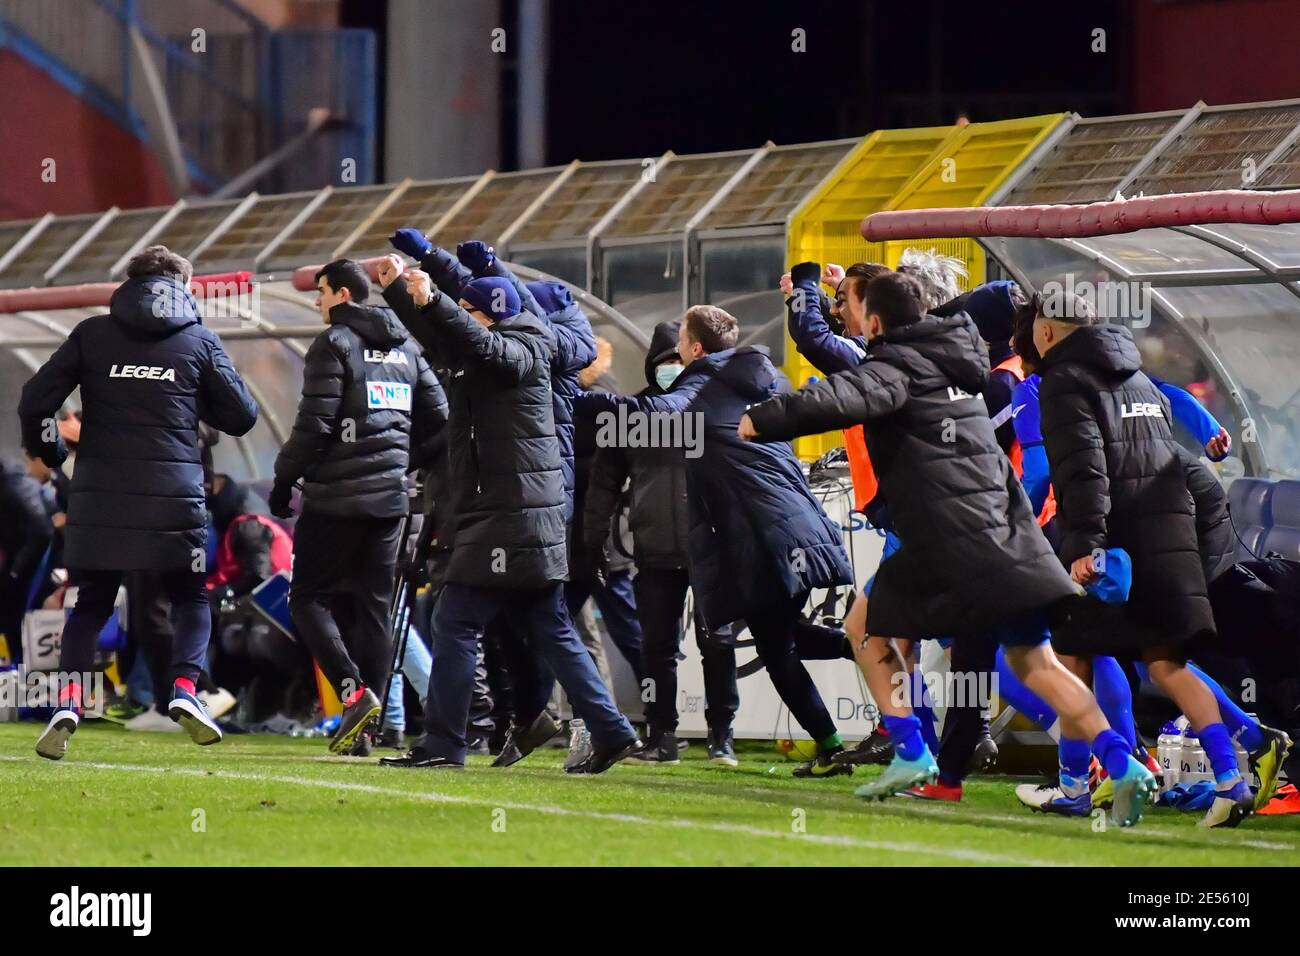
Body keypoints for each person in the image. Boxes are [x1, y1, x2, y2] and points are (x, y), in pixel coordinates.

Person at [739, 271, 1158, 825]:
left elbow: (844, 395)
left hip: (946, 539)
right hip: (1011, 535)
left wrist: (763, 418)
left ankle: (912, 751)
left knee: (864, 631)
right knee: (1037, 662)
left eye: (857, 310)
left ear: (876, 321)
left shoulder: (895, 364)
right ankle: (1122, 765)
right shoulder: (967, 367)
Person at [374, 256, 640, 773]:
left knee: (456, 620)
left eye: (468, 310)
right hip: (518, 517)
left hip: (508, 518)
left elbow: (475, 343)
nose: (462, 318)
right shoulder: (496, 347)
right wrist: (400, 295)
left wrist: (434, 299)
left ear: (488, 314)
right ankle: (610, 730)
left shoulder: (520, 346)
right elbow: (448, 342)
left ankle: (445, 745)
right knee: (551, 629)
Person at [576, 305, 856, 778]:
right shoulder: (759, 382)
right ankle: (856, 667)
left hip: (762, 536)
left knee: (772, 646)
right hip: (787, 528)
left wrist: (577, 399)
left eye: (682, 343)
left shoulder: (701, 390)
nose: (677, 355)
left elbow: (654, 413)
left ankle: (859, 666)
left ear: (696, 348)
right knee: (780, 641)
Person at [19, 245, 259, 759]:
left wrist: (53, 452)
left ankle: (67, 700)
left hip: (99, 498)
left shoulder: (92, 334)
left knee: (90, 603)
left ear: (129, 282)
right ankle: (186, 693)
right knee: (191, 596)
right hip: (175, 498)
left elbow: (36, 399)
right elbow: (241, 418)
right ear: (185, 285)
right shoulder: (199, 341)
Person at [1032, 289, 1258, 828]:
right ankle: (1231, 782)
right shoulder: (1136, 376)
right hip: (1169, 533)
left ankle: (1073, 786)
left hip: (1116, 542)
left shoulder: (1064, 382)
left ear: (1046, 332)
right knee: (1166, 661)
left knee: (1071, 657)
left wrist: (1085, 543)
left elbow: (1083, 467)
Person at [271, 258, 447, 756]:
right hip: (390, 502)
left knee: (307, 599)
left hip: (335, 500)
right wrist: (398, 462)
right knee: (374, 611)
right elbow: (442, 421)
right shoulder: (407, 347)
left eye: (321, 291)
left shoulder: (334, 344)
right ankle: (365, 734)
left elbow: (314, 427)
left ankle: (354, 694)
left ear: (343, 295)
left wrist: (285, 482)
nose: (317, 300)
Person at [584, 320, 741, 766]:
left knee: (719, 643)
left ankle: (721, 736)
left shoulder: (715, 408)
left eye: (679, 359)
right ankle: (661, 736)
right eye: (666, 362)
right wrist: (595, 543)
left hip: (710, 548)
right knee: (657, 648)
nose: (673, 368)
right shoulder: (631, 414)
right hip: (653, 549)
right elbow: (604, 486)